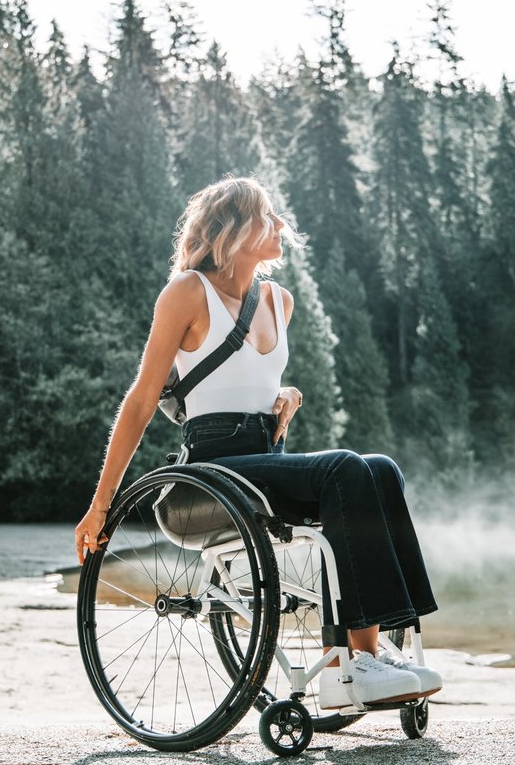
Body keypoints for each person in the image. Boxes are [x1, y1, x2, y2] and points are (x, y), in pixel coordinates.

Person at [74, 174, 442, 709]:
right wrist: (100, 505)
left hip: (263, 457)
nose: (280, 226)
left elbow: (251, 377)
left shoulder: (279, 300)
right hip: (209, 471)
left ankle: (361, 654)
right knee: (343, 466)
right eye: (267, 216)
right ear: (235, 228)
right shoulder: (186, 292)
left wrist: (283, 392)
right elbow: (140, 400)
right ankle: (356, 664)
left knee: (379, 468)